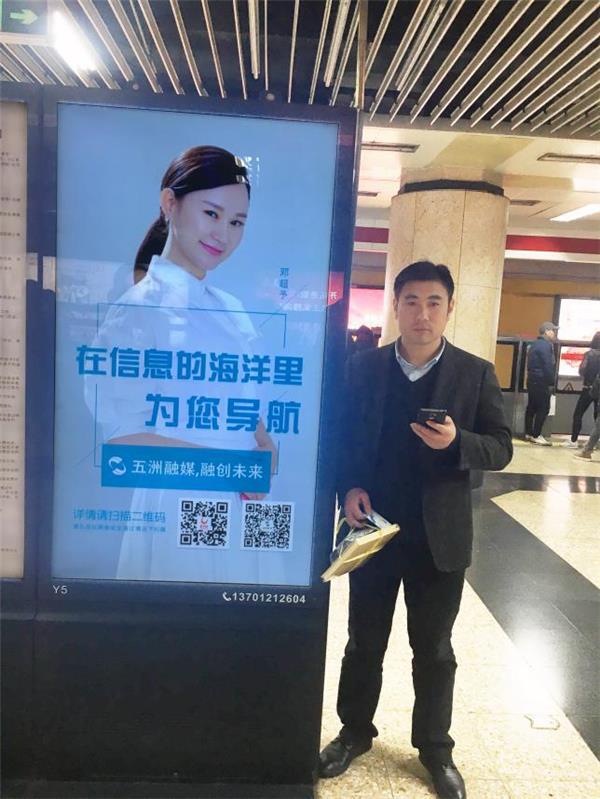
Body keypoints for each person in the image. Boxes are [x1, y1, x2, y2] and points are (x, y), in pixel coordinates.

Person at [318, 261, 513, 799]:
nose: (422, 313)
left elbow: (501, 446)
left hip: (438, 538)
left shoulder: (474, 373)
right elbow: (341, 438)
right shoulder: (363, 367)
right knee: (364, 642)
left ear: (449, 308)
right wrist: (349, 487)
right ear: (395, 306)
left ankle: (435, 749)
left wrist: (457, 442)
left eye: (433, 302)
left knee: (434, 649)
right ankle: (354, 732)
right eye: (411, 301)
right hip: (374, 531)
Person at [86, 145, 276, 580]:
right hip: (174, 505)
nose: (223, 234)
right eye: (211, 213)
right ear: (170, 203)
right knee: (184, 614)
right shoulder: (137, 310)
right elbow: (124, 438)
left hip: (241, 500)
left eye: (236, 222)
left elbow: (242, 398)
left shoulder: (231, 307)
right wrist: (230, 469)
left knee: (239, 610)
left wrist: (265, 444)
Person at [562, 331, 600, 448]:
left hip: (588, 389)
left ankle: (574, 440)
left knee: (578, 413)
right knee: (597, 416)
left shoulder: (589, 354)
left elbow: (582, 370)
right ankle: (596, 442)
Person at [524, 321, 558, 446]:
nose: (554, 333)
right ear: (547, 331)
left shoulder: (535, 344)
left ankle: (528, 433)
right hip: (541, 380)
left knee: (532, 407)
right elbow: (547, 365)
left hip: (532, 379)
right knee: (543, 408)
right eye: (553, 330)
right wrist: (551, 382)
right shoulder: (545, 346)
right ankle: (536, 435)